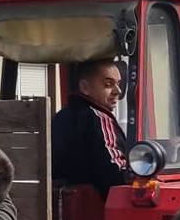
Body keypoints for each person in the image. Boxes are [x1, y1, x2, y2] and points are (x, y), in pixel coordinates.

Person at [51, 59, 129, 196]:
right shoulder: (99, 118)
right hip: (95, 210)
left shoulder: (60, 118)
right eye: (108, 84)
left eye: (119, 84)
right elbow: (115, 176)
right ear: (85, 87)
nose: (118, 91)